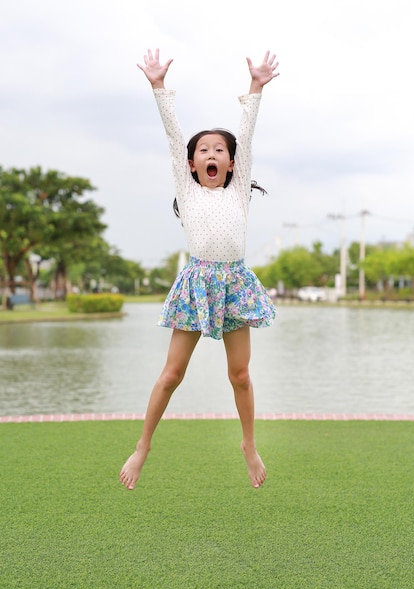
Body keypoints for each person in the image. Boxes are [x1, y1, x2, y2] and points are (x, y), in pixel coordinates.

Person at [120, 48, 279, 491]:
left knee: (240, 374)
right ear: (192, 164)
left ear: (231, 163)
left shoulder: (238, 190)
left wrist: (255, 88)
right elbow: (174, 137)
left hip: (235, 284)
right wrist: (158, 88)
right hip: (196, 283)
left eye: (220, 150)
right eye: (204, 150)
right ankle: (143, 446)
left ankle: (248, 444)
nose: (212, 154)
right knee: (172, 374)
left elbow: (246, 135)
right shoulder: (187, 189)